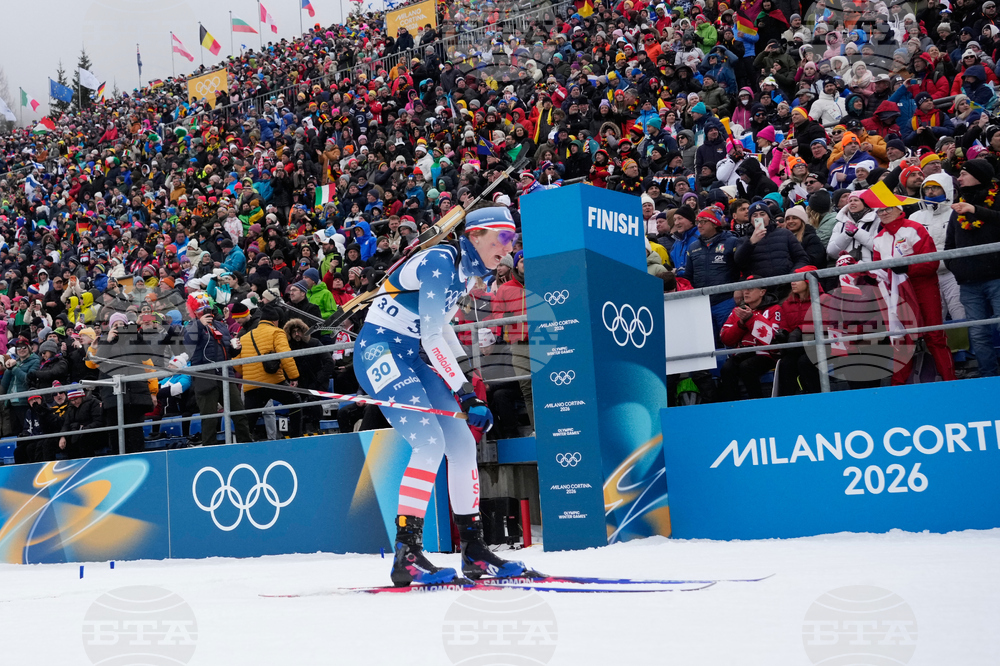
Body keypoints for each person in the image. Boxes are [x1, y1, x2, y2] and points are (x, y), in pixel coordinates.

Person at [353, 206, 529, 586]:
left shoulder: (468, 274)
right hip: (380, 350)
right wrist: (465, 394)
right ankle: (408, 553)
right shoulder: (440, 262)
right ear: (476, 236)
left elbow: (441, 330)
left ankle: (475, 550)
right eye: (501, 238)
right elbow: (432, 336)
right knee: (429, 443)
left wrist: (466, 378)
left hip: (412, 354)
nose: (508, 247)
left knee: (463, 444)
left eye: (512, 240)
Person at [870, 198, 957, 384]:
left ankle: (951, 382)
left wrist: (908, 269)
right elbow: (878, 269)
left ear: (898, 208)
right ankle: (898, 389)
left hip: (923, 288)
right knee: (902, 341)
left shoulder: (914, 229)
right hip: (897, 294)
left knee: (934, 336)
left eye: (887, 208)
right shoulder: (878, 239)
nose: (883, 213)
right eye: (879, 211)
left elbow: (931, 263)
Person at [946, 159, 1000, 376]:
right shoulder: (957, 208)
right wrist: (956, 266)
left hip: (997, 277)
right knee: (977, 333)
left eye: (964, 174)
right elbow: (949, 245)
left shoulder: (996, 199)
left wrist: (975, 210)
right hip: (968, 282)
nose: (958, 179)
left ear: (978, 175)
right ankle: (989, 375)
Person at [183, 293, 252, 446]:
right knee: (209, 419)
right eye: (201, 309)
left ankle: (246, 445)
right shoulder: (191, 326)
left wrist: (235, 349)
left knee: (239, 413)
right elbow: (188, 343)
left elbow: (226, 350)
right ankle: (210, 450)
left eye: (208, 308)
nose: (206, 311)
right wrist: (200, 324)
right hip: (205, 378)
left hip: (225, 375)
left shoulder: (221, 325)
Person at [238, 304, 304, 440]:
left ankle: (243, 446)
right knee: (295, 402)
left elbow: (237, 365)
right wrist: (293, 377)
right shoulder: (277, 332)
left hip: (251, 384)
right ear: (275, 321)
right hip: (273, 381)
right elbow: (285, 355)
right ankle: (296, 438)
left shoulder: (244, 337)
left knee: (249, 418)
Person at [719, 276, 781, 400]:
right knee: (727, 369)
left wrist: (751, 319)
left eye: (750, 289)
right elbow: (726, 339)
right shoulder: (737, 311)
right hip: (742, 353)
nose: (746, 292)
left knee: (747, 367)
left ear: (762, 292)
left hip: (765, 354)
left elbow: (772, 339)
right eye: (744, 289)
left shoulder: (774, 309)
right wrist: (741, 324)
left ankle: (757, 405)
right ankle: (733, 408)